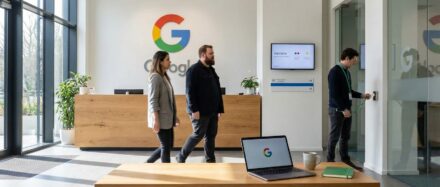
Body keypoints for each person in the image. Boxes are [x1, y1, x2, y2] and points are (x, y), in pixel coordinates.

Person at [175, 45, 224, 163]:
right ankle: (180, 157)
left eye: (213, 53)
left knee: (211, 136)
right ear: (203, 55)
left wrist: (219, 109)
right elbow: (189, 92)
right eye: (211, 53)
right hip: (200, 111)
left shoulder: (211, 70)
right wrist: (194, 110)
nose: (213, 55)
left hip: (212, 111)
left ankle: (210, 160)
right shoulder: (193, 70)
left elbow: (217, 90)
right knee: (198, 135)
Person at [327, 48, 371, 171]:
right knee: (334, 136)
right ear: (346, 58)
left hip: (347, 110)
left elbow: (348, 92)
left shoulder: (347, 72)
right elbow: (334, 94)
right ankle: (329, 162)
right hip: (337, 110)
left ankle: (346, 160)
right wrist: (342, 109)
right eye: (353, 61)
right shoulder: (334, 72)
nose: (354, 64)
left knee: (345, 137)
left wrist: (362, 95)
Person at [146, 51, 179, 163]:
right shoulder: (155, 78)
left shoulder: (164, 77)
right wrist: (156, 120)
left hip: (167, 119)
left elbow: (169, 99)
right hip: (160, 119)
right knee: (165, 147)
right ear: (160, 62)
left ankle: (148, 163)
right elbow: (153, 100)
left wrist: (175, 115)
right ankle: (166, 173)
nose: (170, 62)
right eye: (167, 59)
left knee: (168, 145)